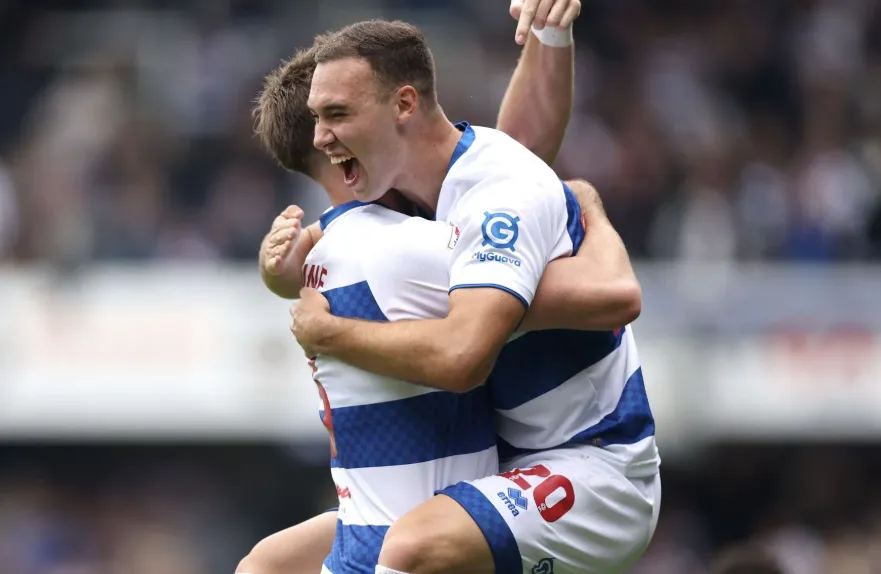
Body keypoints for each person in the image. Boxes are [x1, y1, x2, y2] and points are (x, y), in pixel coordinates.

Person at [290, 15, 659, 574]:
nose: (320, 136)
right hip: (493, 463)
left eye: (336, 114)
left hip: (595, 467)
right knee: (268, 564)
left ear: (405, 105)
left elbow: (465, 355)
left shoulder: (495, 197)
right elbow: (528, 147)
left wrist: (330, 335)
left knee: (412, 549)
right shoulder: (406, 196)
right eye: (317, 119)